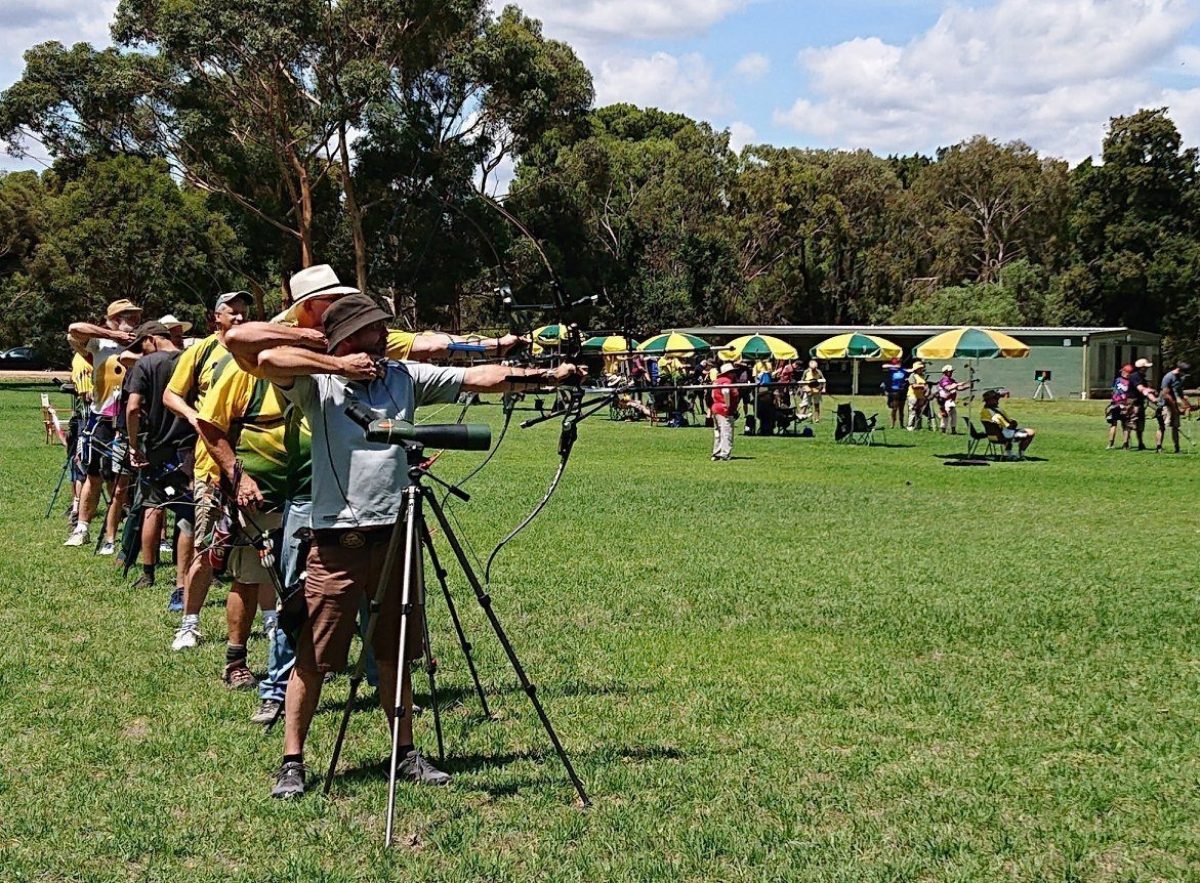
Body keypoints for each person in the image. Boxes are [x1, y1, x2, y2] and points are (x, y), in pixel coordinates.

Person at [253, 292, 584, 798]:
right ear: (347, 338)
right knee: (314, 657)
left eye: (381, 328)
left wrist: (548, 376)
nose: (382, 337)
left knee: (395, 652)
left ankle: (405, 752)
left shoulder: (402, 376)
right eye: (371, 330)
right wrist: (337, 363)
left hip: (396, 534)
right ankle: (293, 762)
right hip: (337, 541)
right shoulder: (316, 383)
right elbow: (266, 358)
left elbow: (478, 377)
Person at [196, 357, 296, 690]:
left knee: (305, 580)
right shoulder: (242, 372)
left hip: (307, 493)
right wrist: (238, 478)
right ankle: (236, 661)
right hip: (255, 498)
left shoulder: (312, 368)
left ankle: (303, 660)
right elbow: (209, 426)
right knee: (249, 578)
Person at [164, 290, 254, 651]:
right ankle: (189, 622)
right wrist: (194, 417)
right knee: (205, 545)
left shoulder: (255, 347)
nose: (240, 318)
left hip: (254, 463)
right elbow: (171, 394)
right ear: (215, 316)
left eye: (244, 312)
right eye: (233, 312)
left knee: (257, 547)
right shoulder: (201, 351)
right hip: (210, 464)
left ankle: (270, 620)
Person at [124, 322, 197, 604]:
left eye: (141, 344)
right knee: (188, 513)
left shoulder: (145, 365)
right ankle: (182, 580)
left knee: (153, 508)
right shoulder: (190, 360)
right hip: (187, 448)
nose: (141, 351)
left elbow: (132, 408)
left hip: (155, 448)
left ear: (152, 339)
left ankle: (148, 572)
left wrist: (134, 445)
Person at [64, 298, 142, 549]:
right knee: (94, 475)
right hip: (102, 419)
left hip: (131, 419)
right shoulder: (99, 343)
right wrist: (113, 335)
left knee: (124, 478)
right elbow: (74, 329)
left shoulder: (141, 342)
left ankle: (127, 527)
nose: (135, 321)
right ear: (115, 320)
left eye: (136, 317)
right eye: (129, 317)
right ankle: (82, 528)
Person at [980, 388, 1035, 459]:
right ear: (991, 400)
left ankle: (1009, 454)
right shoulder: (996, 414)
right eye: (996, 399)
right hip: (1003, 437)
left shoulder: (983, 411)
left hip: (992, 436)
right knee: (1031, 432)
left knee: (1008, 432)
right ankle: (1020, 454)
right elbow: (1009, 426)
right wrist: (1014, 423)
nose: (998, 400)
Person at [1156, 361, 1194, 453]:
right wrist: (1173, 407)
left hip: (1174, 405)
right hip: (1165, 405)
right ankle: (1159, 448)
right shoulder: (1168, 377)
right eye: (1183, 373)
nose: (1184, 375)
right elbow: (1165, 394)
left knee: (1176, 427)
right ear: (1179, 370)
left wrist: (1186, 404)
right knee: (1162, 427)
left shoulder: (1180, 377)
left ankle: (1177, 448)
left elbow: (1179, 392)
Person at [1127, 358, 1158, 450]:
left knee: (1140, 425)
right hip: (1132, 403)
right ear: (1141, 367)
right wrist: (1151, 390)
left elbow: (1145, 393)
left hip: (1140, 403)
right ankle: (1126, 444)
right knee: (1130, 423)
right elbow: (1141, 389)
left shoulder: (1142, 377)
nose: (1147, 369)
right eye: (1146, 367)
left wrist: (1154, 400)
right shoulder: (1135, 376)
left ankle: (1140, 443)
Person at [711, 362, 739, 461]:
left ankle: (716, 453)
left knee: (718, 432)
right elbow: (726, 391)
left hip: (715, 407)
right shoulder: (726, 381)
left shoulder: (717, 381)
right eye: (732, 372)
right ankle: (724, 454)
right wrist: (727, 405)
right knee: (726, 432)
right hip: (724, 410)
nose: (734, 374)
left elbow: (712, 394)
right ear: (728, 373)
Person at [935, 365, 970, 434]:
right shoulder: (944, 380)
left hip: (951, 401)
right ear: (945, 372)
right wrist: (958, 384)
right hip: (945, 401)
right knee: (945, 416)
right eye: (950, 371)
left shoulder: (952, 380)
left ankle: (953, 430)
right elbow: (948, 388)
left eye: (951, 371)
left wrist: (968, 386)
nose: (951, 373)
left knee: (954, 415)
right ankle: (943, 431)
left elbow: (959, 388)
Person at [1106, 365, 1133, 450]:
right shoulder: (1130, 383)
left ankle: (1110, 444)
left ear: (1124, 372)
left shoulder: (1117, 380)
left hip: (1115, 404)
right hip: (1124, 405)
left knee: (1113, 424)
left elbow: (1113, 391)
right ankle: (1125, 445)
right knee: (1125, 425)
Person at [883, 357, 908, 428]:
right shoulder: (891, 370)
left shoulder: (903, 370)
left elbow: (908, 372)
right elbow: (884, 366)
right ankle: (893, 423)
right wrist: (894, 366)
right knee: (894, 408)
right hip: (894, 391)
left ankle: (901, 424)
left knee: (901, 408)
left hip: (902, 391)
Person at [906, 361, 929, 431]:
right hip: (913, 396)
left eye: (921, 368)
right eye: (920, 368)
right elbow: (913, 386)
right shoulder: (912, 376)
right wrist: (923, 386)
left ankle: (918, 426)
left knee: (919, 411)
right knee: (913, 411)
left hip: (921, 396)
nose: (921, 369)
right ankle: (910, 426)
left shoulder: (923, 376)